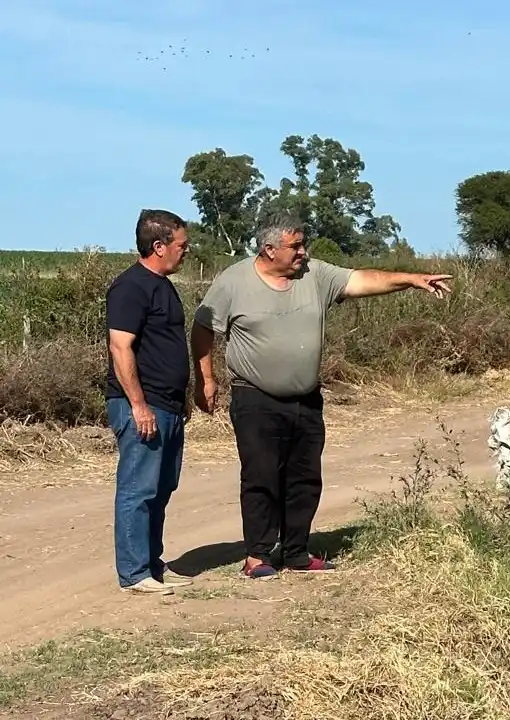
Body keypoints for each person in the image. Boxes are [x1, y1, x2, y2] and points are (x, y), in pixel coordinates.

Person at [190, 211, 452, 580]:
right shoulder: (233, 281)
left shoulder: (316, 275)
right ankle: (258, 556)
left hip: (306, 400)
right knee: (261, 476)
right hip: (255, 398)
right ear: (268, 249)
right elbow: (203, 327)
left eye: (302, 244)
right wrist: (206, 378)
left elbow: (363, 279)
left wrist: (411, 279)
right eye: (295, 246)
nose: (303, 252)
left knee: (305, 477)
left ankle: (296, 551)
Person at [105, 209, 193, 596]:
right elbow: (120, 347)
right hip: (143, 406)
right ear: (158, 246)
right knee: (138, 489)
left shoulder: (164, 286)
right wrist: (139, 405)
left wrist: (182, 397)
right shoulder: (130, 287)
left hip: (168, 405)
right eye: (181, 245)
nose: (185, 251)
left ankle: (153, 564)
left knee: (161, 488)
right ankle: (134, 572)